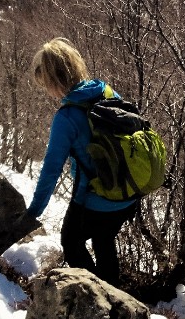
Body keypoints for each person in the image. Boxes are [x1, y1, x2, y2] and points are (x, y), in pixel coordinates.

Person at [25, 37, 139, 287]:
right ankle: (114, 295)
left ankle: (96, 296)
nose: (47, 90)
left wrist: (32, 212)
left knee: (71, 241)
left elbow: (51, 169)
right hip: (128, 193)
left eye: (46, 83)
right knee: (104, 240)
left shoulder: (66, 117)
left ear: (54, 80)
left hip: (95, 199)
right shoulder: (106, 91)